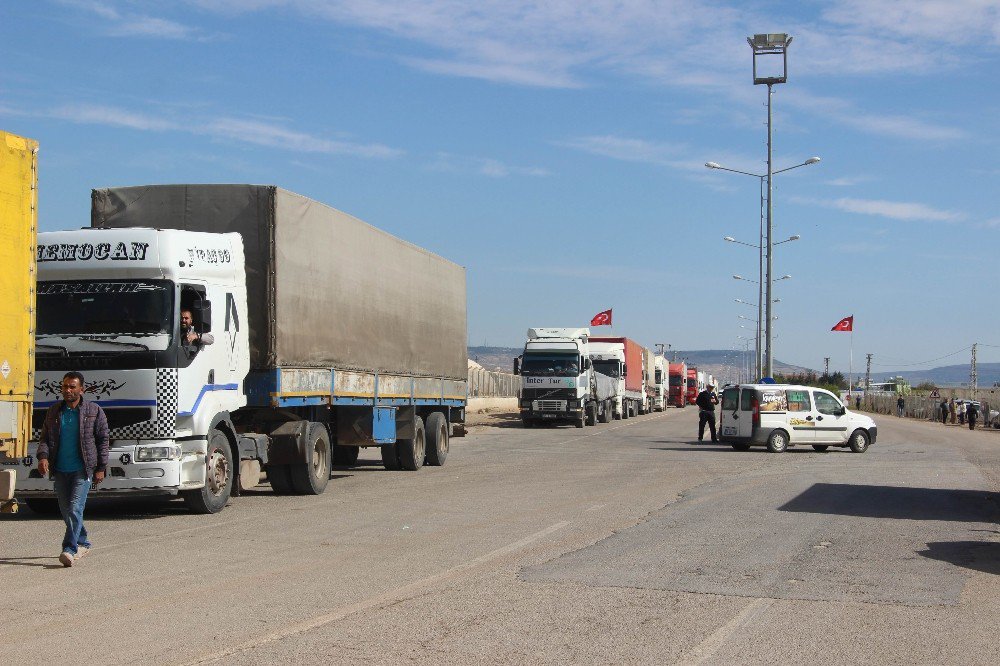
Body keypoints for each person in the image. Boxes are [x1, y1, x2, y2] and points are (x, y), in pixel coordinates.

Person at [36, 371, 110, 567]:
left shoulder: (94, 411)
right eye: (65, 387)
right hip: (60, 469)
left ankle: (69, 548)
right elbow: (44, 438)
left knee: (75, 508)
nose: (67, 390)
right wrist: (43, 457)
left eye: (72, 387)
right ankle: (83, 540)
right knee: (66, 510)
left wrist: (101, 467)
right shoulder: (54, 411)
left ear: (81, 389)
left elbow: (103, 440)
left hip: (82, 470)